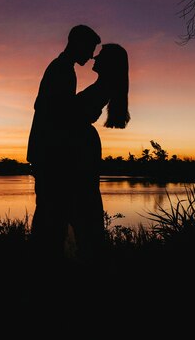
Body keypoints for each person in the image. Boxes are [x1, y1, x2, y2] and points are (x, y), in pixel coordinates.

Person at [27, 24, 101, 260]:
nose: (91, 56)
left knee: (52, 212)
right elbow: (54, 112)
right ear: (77, 43)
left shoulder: (62, 69)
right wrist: (83, 114)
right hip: (50, 154)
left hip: (48, 153)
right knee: (51, 212)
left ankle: (47, 260)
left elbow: (57, 110)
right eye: (89, 49)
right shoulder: (61, 70)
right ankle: (45, 264)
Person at [69, 43, 130, 262]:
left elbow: (75, 114)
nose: (94, 58)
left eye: (101, 56)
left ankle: (86, 256)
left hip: (82, 147)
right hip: (83, 143)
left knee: (81, 201)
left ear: (110, 63)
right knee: (82, 201)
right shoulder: (104, 85)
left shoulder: (104, 86)